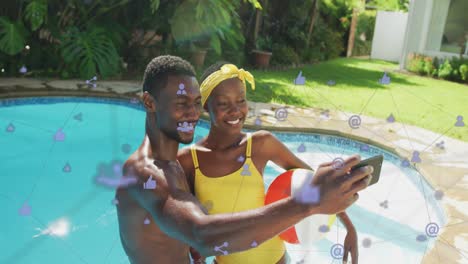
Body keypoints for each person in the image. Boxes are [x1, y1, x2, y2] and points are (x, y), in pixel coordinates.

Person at [116, 55, 373, 264]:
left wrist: (343, 220)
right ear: (150, 102)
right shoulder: (143, 172)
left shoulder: (172, 164)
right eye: (182, 103)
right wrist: (306, 204)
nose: (193, 113)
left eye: (196, 102)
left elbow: (192, 243)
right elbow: (202, 235)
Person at [177, 62, 360, 264]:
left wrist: (350, 229)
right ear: (205, 105)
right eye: (223, 104)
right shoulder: (188, 160)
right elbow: (190, 230)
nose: (235, 111)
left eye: (241, 100)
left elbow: (322, 186)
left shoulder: (261, 145)